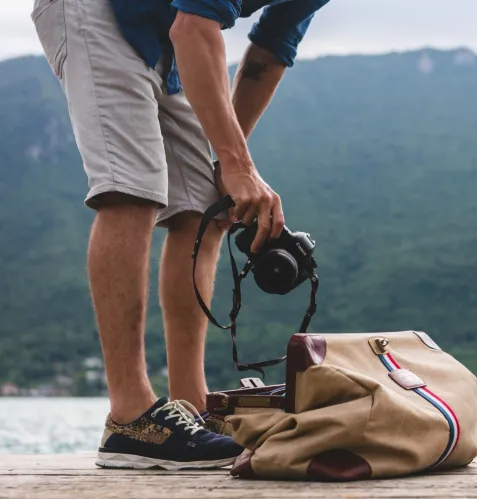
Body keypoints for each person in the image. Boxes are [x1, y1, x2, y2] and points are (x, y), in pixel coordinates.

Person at [30, 0, 330, 469]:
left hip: (162, 30)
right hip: (98, 10)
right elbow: (194, 28)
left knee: (204, 210)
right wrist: (237, 163)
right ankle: (130, 419)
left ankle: (191, 406)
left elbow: (268, 53)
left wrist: (226, 169)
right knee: (131, 190)